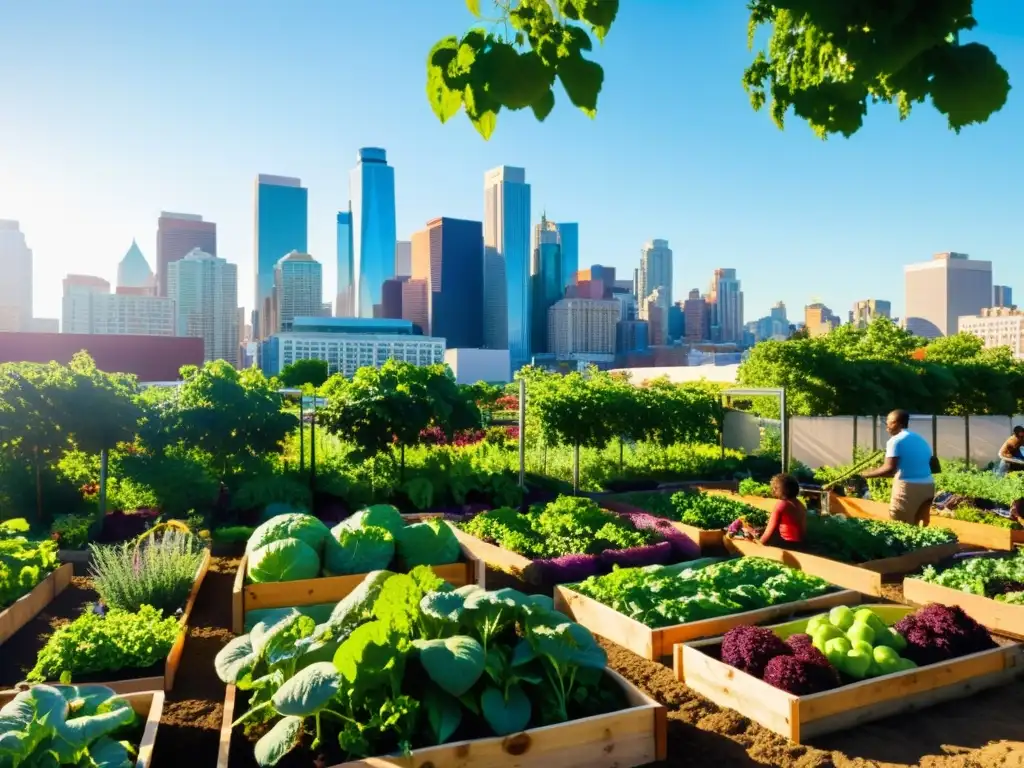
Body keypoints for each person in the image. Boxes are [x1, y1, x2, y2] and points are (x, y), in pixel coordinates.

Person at [860, 409, 935, 526]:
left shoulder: (895, 441)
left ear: (897, 423)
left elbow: (889, 468)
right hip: (928, 486)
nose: (887, 426)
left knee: (900, 523)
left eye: (888, 423)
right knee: (919, 524)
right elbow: (923, 465)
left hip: (908, 488)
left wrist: (865, 475)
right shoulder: (920, 439)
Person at [759, 473, 807, 548]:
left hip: (787, 546)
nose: (773, 490)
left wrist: (758, 545)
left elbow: (768, 535)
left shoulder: (782, 505)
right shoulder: (800, 505)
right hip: (800, 546)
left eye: (775, 488)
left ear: (784, 490)